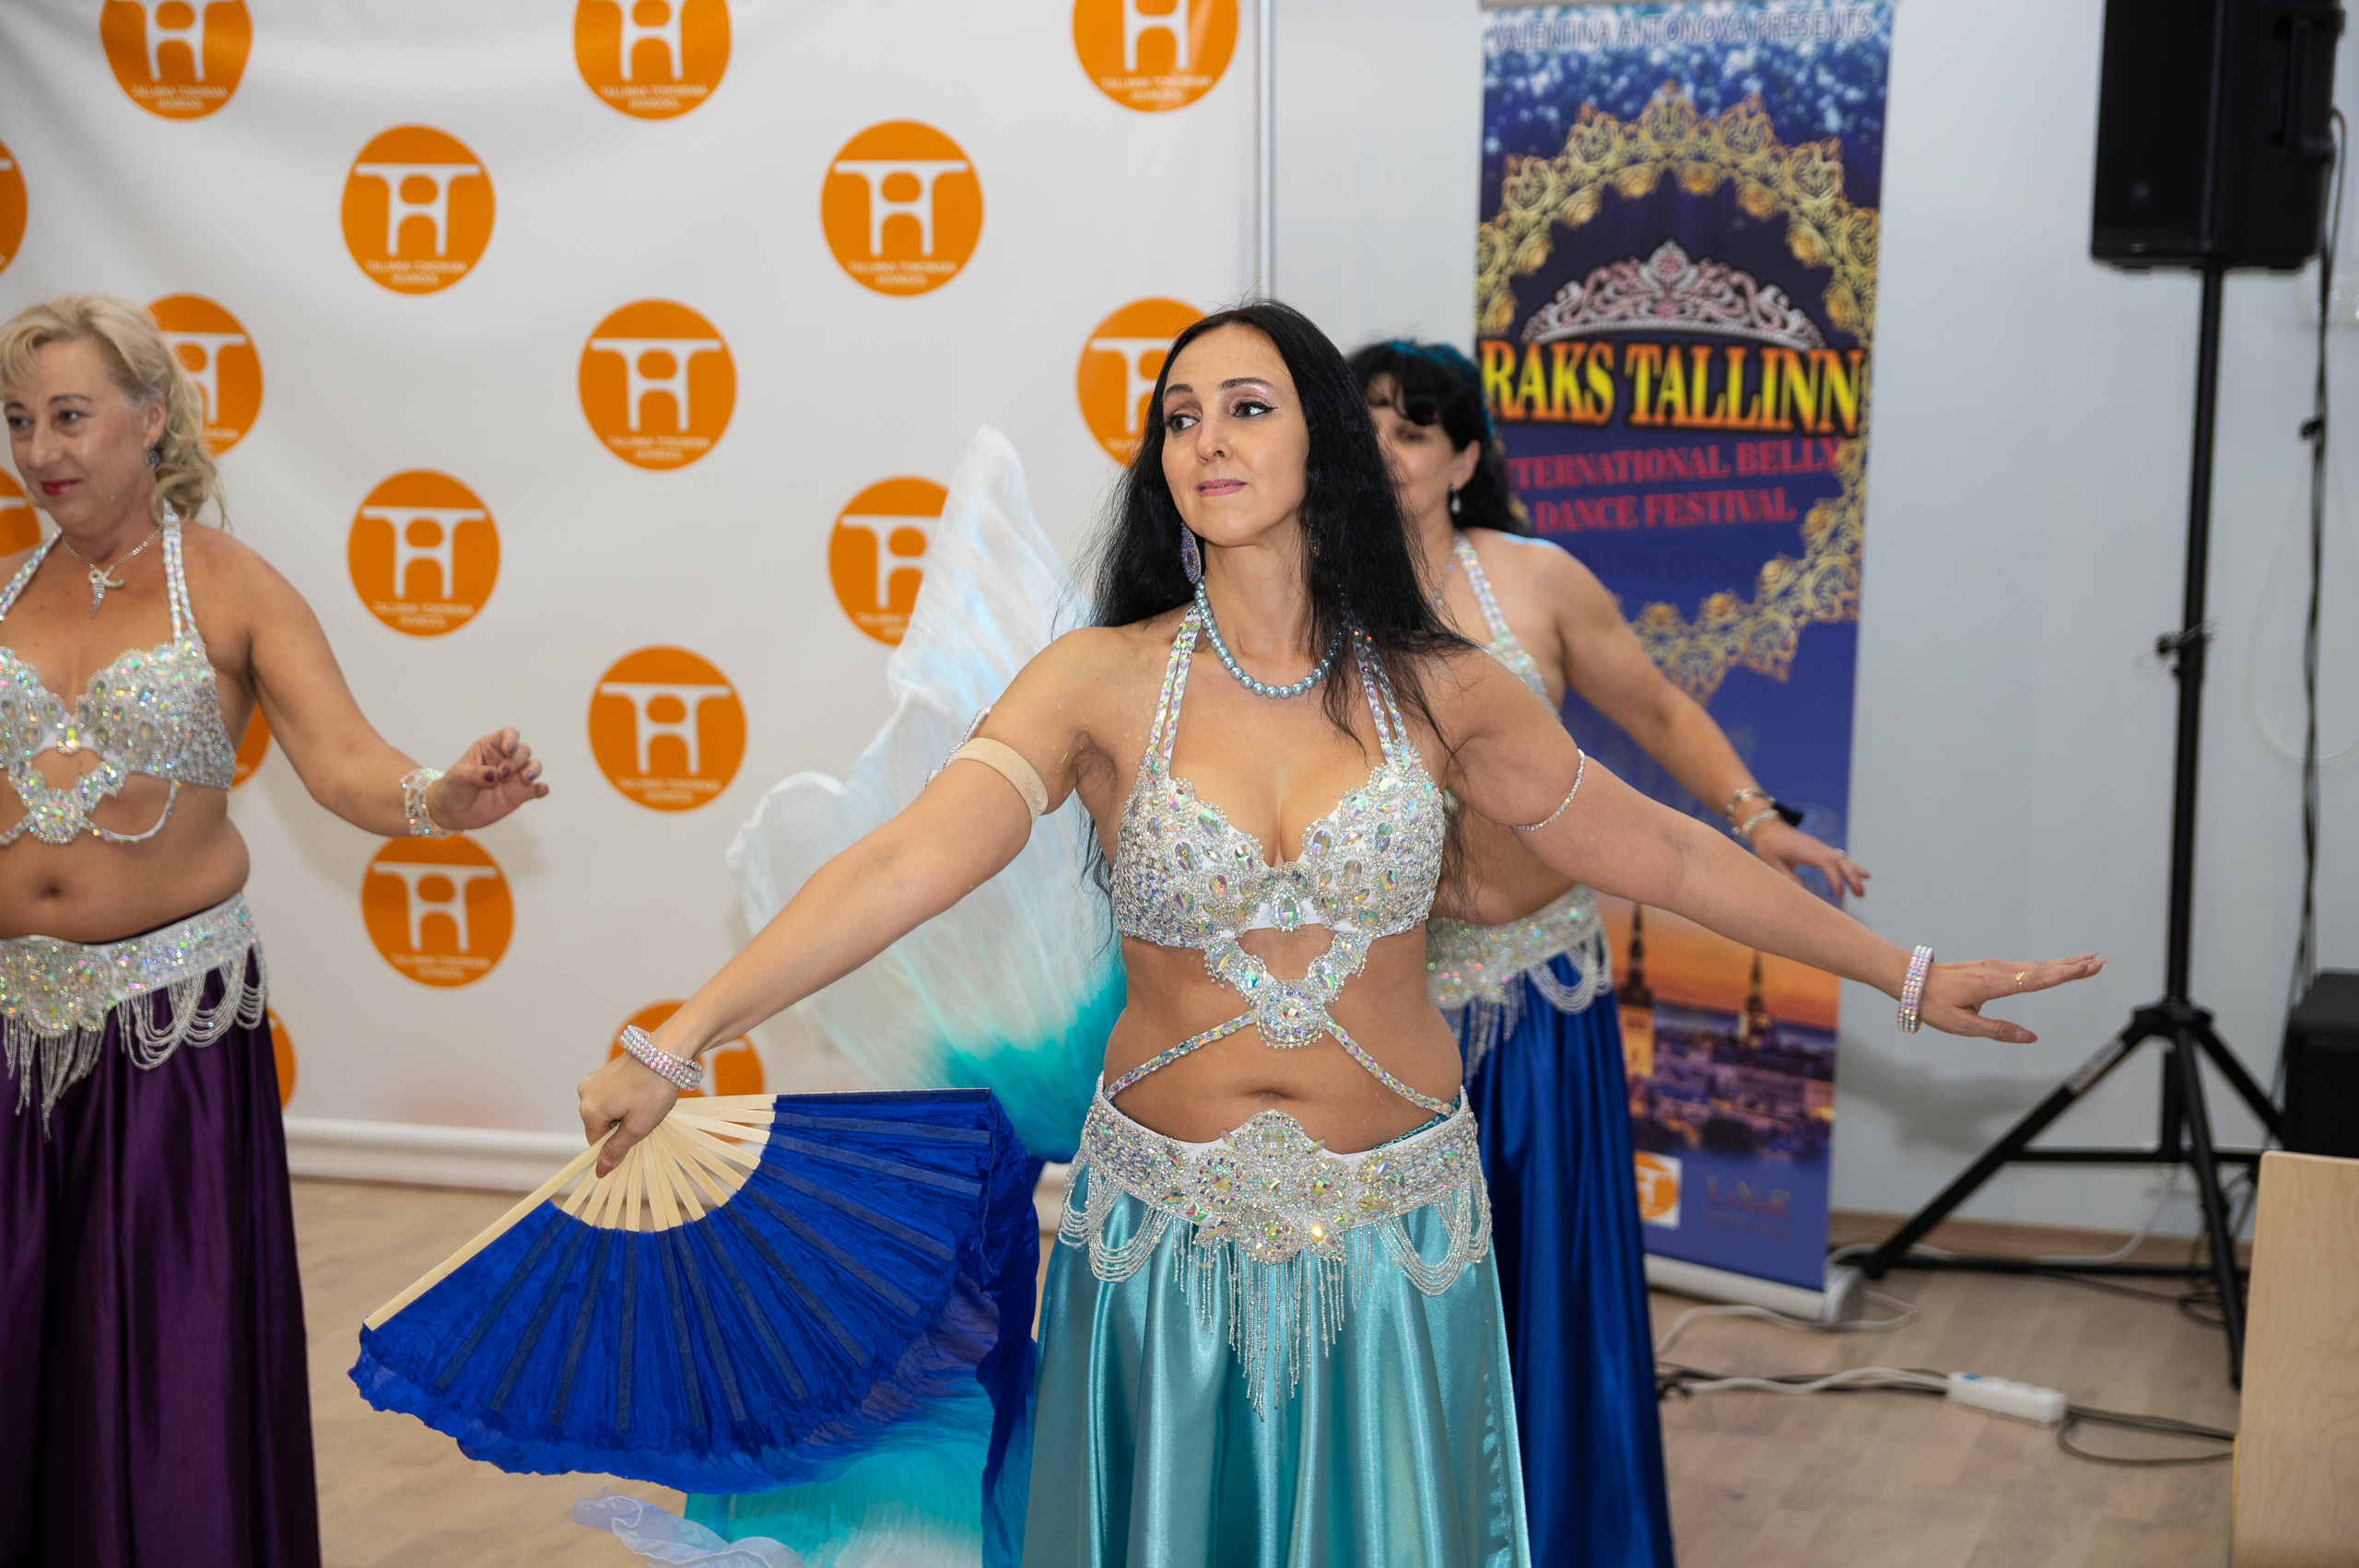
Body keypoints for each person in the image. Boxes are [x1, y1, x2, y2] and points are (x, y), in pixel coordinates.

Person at [576, 302, 2096, 1568]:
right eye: (1180, 417)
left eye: (1247, 407)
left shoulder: (1445, 685)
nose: (1208, 439)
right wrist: (681, 1033)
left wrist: (1906, 972)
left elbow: (1666, 851)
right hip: (1158, 1246)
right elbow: (904, 860)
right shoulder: (1096, 681)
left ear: (1323, 446)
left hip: (1398, 1248)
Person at [0, 294, 549, 1568]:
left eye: (70, 416)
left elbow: (346, 763)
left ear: (151, 418)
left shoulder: (230, 586)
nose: (40, 451)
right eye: (19, 422)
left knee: (162, 1364)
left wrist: (442, 798)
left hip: (167, 1045)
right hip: (11, 1038)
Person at [1349, 338, 1866, 1566]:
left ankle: (1563, 1534)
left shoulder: (1538, 580)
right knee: (1395, 1295)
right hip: (1381, 1007)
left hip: (1537, 997)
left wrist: (1757, 821)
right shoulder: (1315, 596)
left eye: (1411, 429)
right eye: (1363, 423)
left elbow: (1659, 710)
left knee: (1545, 1283)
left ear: (1464, 458)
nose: (1383, 448)